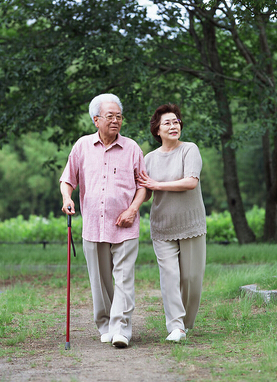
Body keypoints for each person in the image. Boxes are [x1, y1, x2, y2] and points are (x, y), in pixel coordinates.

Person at [60, 93, 146, 348]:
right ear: (95, 119)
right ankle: (105, 323)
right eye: (110, 116)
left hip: (126, 226)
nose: (116, 121)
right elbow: (68, 179)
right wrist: (67, 198)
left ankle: (121, 329)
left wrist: (133, 209)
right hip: (93, 226)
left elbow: (143, 185)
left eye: (119, 117)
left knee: (124, 277)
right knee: (100, 281)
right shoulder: (82, 146)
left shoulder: (132, 148)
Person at [137, 103, 207, 343]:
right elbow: (144, 192)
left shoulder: (189, 150)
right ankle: (176, 326)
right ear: (157, 130)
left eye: (176, 121)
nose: (173, 125)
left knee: (191, 280)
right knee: (169, 277)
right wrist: (130, 204)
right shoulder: (148, 159)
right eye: (167, 122)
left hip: (191, 225)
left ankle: (186, 324)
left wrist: (157, 185)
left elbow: (191, 182)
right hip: (162, 226)